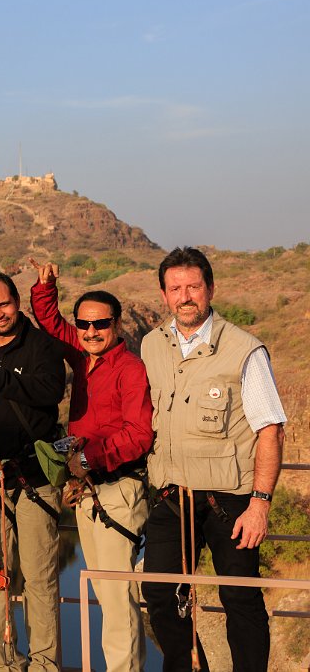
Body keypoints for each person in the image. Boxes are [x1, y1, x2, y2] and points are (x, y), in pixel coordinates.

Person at [141, 247, 285, 672]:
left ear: (210, 289)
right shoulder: (152, 345)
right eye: (175, 288)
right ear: (164, 294)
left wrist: (260, 503)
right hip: (171, 496)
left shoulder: (244, 349)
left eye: (193, 286)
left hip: (232, 501)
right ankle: (189, 668)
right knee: (160, 593)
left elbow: (270, 430)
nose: (185, 296)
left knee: (239, 596)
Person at [29, 259, 154, 672]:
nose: (90, 331)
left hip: (117, 490)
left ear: (116, 325)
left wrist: (86, 458)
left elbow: (139, 434)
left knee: (118, 599)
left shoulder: (130, 369)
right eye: (84, 324)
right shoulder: (84, 358)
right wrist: (46, 288)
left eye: (100, 324)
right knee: (104, 591)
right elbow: (52, 324)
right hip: (89, 492)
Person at [0, 272, 66, 672]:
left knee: (40, 579)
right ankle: (4, 663)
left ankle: (43, 666)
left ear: (17, 301)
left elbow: (49, 392)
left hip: (34, 477)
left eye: (3, 304)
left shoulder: (42, 346)